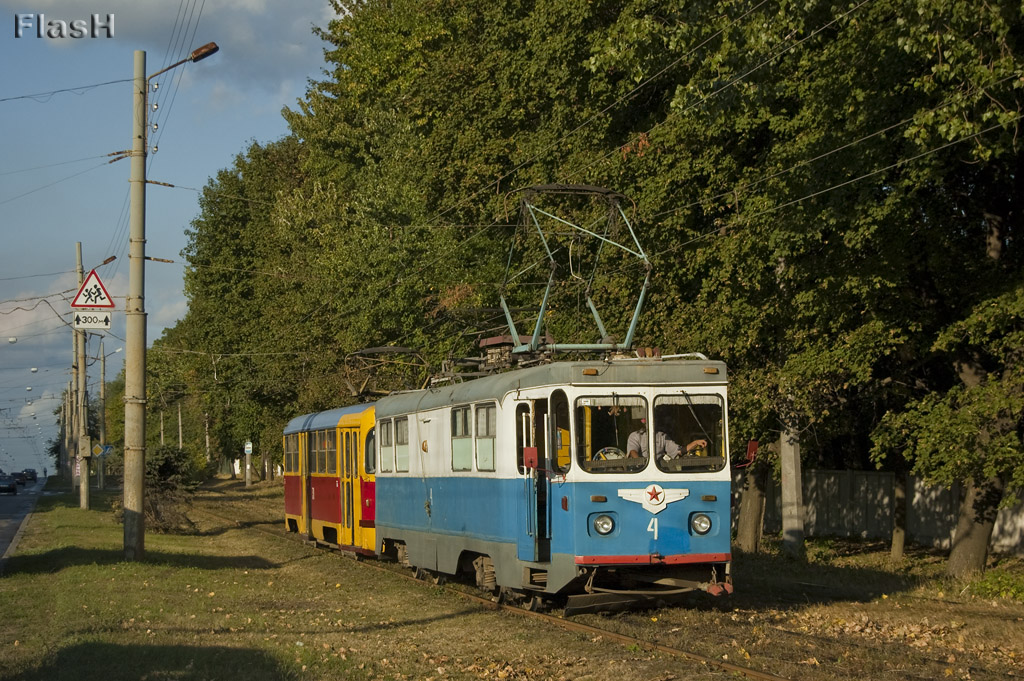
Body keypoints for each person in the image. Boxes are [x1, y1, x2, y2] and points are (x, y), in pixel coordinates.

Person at [627, 419, 708, 460]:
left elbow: (679, 451)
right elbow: (633, 451)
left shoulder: (662, 436)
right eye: (643, 420)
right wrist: (641, 464)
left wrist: (695, 442)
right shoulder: (635, 435)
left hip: (659, 470)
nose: (646, 422)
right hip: (640, 471)